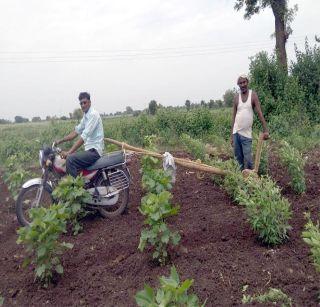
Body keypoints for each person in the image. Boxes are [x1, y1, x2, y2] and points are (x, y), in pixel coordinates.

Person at [55, 92, 104, 177]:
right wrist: (60, 141)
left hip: (94, 151)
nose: (83, 105)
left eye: (85, 102)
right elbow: (76, 132)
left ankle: (76, 189)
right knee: (70, 158)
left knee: (70, 159)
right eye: (81, 103)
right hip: (89, 150)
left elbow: (83, 137)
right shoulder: (86, 116)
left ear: (89, 102)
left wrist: (69, 152)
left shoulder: (93, 115)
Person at [231, 75, 269, 171]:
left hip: (246, 134)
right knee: (238, 159)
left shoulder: (253, 95)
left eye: (244, 82)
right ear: (238, 85)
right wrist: (231, 135)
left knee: (248, 160)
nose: (243, 84)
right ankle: (240, 180)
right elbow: (233, 117)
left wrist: (266, 130)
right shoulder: (236, 98)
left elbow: (259, 113)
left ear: (247, 82)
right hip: (236, 133)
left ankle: (251, 180)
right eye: (241, 83)